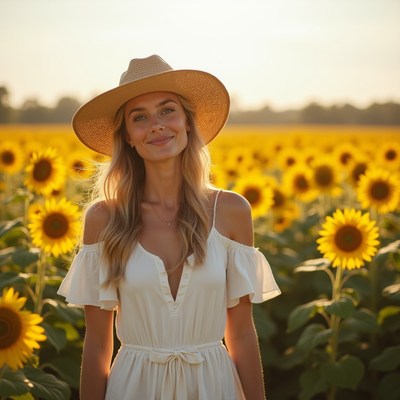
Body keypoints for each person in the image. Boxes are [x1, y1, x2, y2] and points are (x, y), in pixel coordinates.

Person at [58, 54, 281, 400]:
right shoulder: (104, 220)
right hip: (134, 387)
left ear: (188, 123)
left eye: (167, 111)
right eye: (140, 118)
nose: (157, 125)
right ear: (128, 137)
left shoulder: (232, 211)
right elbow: (99, 344)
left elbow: (240, 334)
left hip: (213, 386)